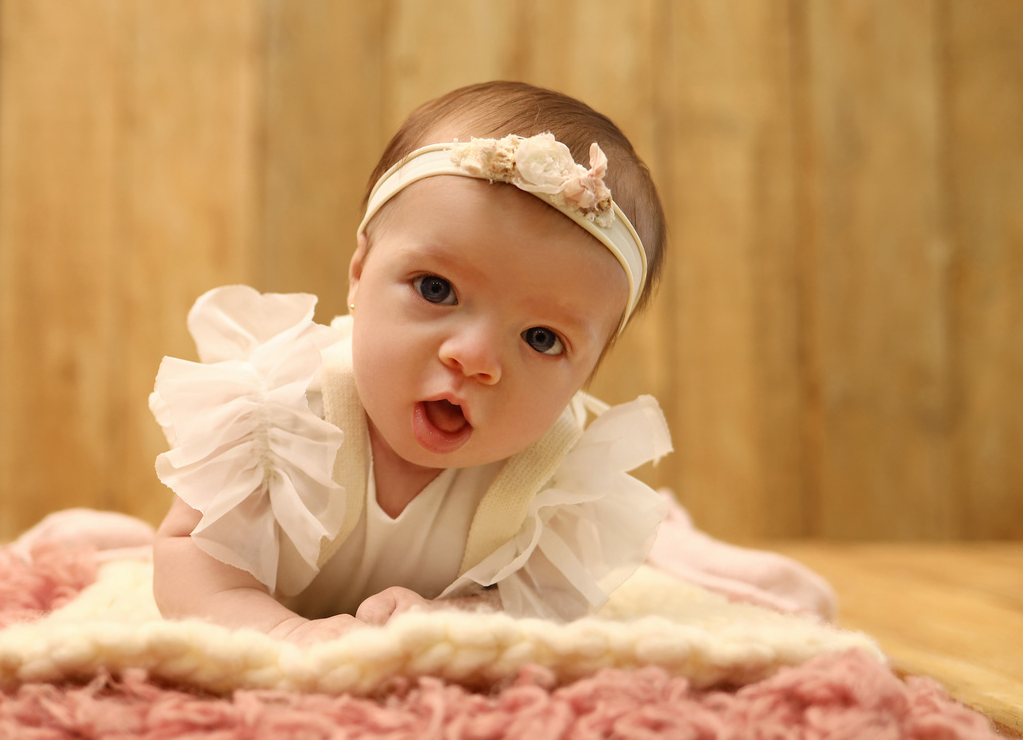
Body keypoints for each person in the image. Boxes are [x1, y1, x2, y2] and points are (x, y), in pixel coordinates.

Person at [151, 81, 673, 644]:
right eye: (435, 289)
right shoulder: (283, 412)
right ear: (359, 273)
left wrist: (453, 619)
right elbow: (190, 561)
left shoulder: (552, 482)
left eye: (542, 338)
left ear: (587, 374)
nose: (474, 358)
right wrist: (282, 632)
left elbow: (540, 609)